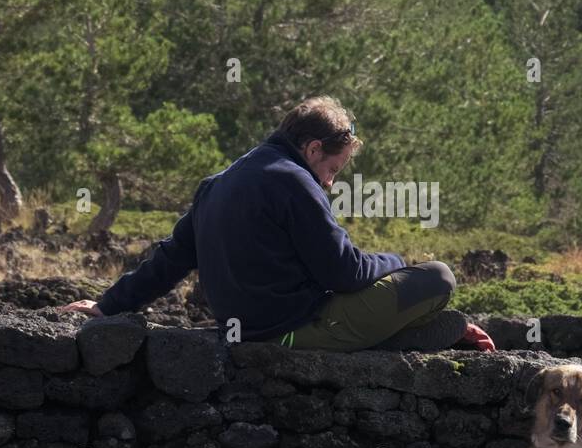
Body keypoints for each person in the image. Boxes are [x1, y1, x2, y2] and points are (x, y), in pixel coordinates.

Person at [62, 96, 495, 353]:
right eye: (334, 168)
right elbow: (343, 272)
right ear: (312, 149)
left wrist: (108, 306)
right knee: (439, 278)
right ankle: (392, 337)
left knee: (406, 290)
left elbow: (170, 259)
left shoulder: (219, 182)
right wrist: (397, 262)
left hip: (244, 328)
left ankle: (397, 332)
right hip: (289, 333)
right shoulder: (295, 182)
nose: (330, 181)